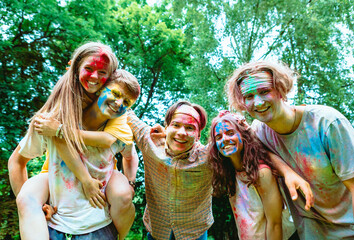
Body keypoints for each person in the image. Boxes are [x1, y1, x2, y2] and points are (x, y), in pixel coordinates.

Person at [8, 41, 137, 240]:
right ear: (75, 69)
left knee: (123, 194)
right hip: (56, 181)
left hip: (99, 206)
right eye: (88, 68)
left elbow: (112, 142)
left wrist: (130, 182)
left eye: (102, 72)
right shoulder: (55, 113)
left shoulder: (118, 116)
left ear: (110, 78)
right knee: (26, 197)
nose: (94, 77)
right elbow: (19, 159)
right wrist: (38, 209)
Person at [226, 60, 354, 239]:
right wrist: (286, 170)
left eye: (265, 91)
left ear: (281, 89)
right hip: (311, 233)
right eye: (248, 97)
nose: (257, 103)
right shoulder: (259, 131)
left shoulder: (327, 123)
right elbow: (258, 150)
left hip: (351, 229)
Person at [127, 100, 212, 240]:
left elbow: (235, 138)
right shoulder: (150, 143)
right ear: (166, 127)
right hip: (157, 231)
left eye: (190, 128)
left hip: (195, 232)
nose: (182, 133)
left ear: (198, 135)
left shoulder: (209, 156)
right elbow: (126, 113)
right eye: (176, 125)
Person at [208, 110, 296, 240]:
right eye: (219, 137)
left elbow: (275, 224)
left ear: (243, 135)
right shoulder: (228, 170)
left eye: (231, 133)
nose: (225, 139)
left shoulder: (261, 172)